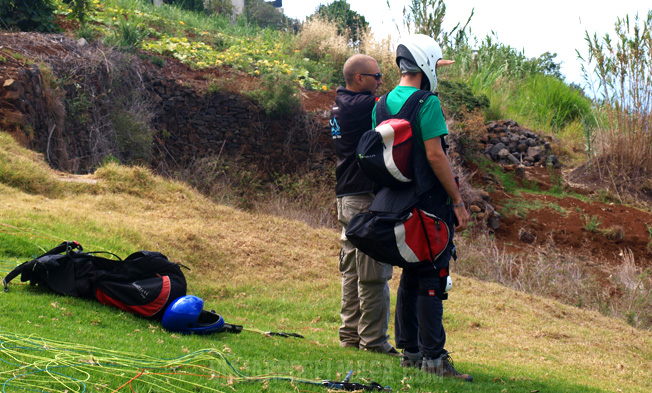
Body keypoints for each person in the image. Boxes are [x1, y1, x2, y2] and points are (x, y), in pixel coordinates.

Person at [371, 34, 472, 381]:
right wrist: (457, 202)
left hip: (398, 203)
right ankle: (434, 358)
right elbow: (434, 154)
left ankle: (410, 353)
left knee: (411, 275)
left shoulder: (380, 104)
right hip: (429, 205)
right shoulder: (427, 102)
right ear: (427, 63)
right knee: (432, 277)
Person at [330, 54, 399, 356]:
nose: (381, 81)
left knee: (352, 270)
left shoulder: (341, 103)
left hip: (346, 196)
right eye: (377, 76)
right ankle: (373, 341)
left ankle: (349, 337)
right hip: (363, 199)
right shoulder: (361, 106)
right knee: (373, 272)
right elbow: (397, 102)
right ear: (360, 79)